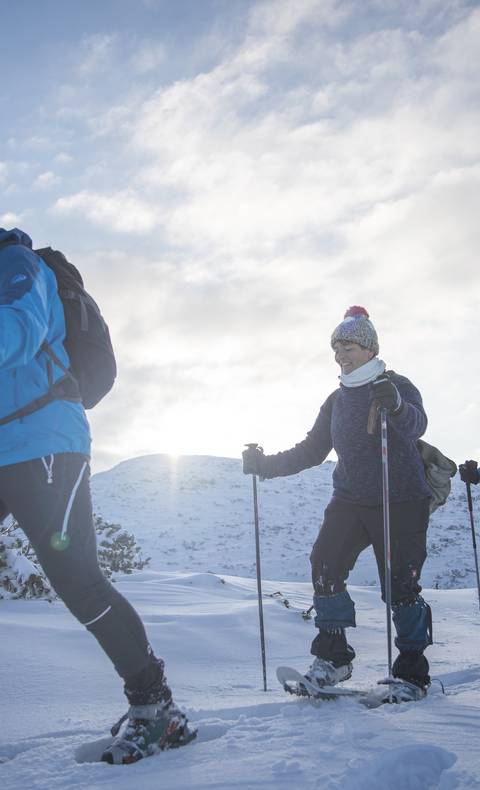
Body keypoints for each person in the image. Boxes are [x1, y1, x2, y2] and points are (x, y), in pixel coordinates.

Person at [0, 228, 195, 764]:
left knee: (77, 579)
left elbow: (17, 330)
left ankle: (158, 708)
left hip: (44, 441)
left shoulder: (16, 262)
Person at [243, 306, 433, 695]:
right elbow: (312, 450)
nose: (340, 356)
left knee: (400, 587)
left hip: (400, 499)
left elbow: (417, 425)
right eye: (336, 348)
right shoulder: (337, 399)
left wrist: (395, 404)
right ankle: (334, 658)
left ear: (369, 348)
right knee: (325, 565)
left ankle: (412, 671)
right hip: (350, 498)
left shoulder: (396, 384)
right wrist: (265, 465)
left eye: (348, 346)